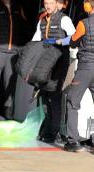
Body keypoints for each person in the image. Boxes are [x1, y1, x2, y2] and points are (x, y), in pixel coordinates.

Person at [31, 0, 75, 143]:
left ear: (57, 4)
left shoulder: (64, 19)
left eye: (51, 3)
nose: (48, 6)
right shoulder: (42, 21)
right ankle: (48, 130)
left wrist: (60, 42)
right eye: (45, 3)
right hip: (45, 64)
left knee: (55, 97)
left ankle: (55, 131)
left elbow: (75, 38)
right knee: (45, 96)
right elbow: (36, 41)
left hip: (59, 62)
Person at [62, 0, 94, 152]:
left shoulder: (84, 23)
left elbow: (73, 42)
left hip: (86, 68)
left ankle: (73, 141)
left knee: (72, 102)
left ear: (89, 6)